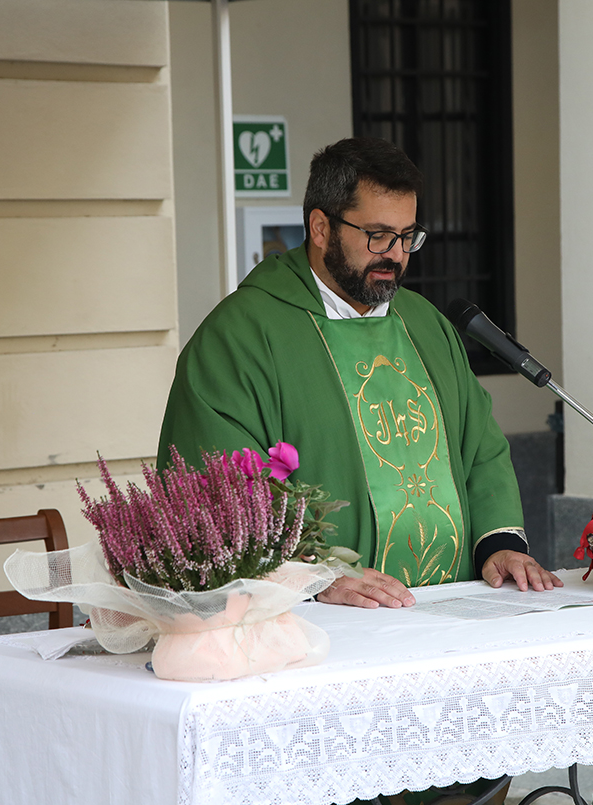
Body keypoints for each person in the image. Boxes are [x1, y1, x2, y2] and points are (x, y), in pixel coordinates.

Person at [158, 136, 561, 607]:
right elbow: (216, 491)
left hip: (452, 607)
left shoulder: (425, 324)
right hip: (323, 622)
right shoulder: (240, 338)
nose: (396, 254)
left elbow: (481, 449)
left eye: (408, 237)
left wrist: (500, 546)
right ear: (321, 228)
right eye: (378, 236)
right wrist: (310, 576)